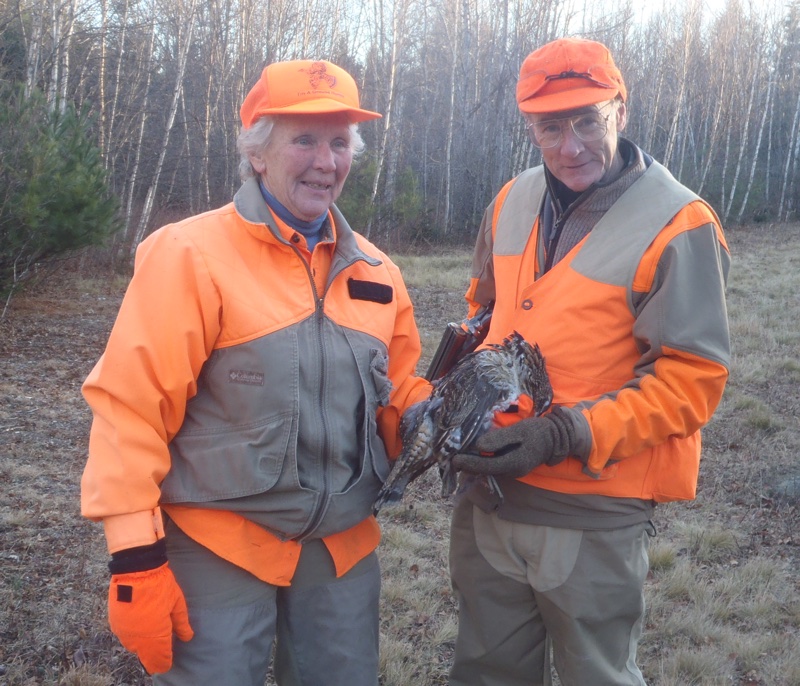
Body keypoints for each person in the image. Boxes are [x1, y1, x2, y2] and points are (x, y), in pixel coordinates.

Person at [80, 59, 430, 686]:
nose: (327, 161)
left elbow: (400, 393)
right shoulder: (189, 254)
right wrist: (135, 556)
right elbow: (130, 407)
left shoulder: (378, 273)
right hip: (217, 541)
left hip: (340, 545)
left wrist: (443, 421)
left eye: (339, 142)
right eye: (304, 139)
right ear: (257, 151)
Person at [447, 37, 731, 686]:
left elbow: (692, 385)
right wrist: (454, 402)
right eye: (551, 126)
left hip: (593, 508)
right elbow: (486, 316)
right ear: (530, 126)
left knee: (596, 675)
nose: (571, 146)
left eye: (588, 121)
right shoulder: (509, 201)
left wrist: (562, 432)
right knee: (484, 672)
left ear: (621, 112)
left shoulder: (678, 222)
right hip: (490, 497)